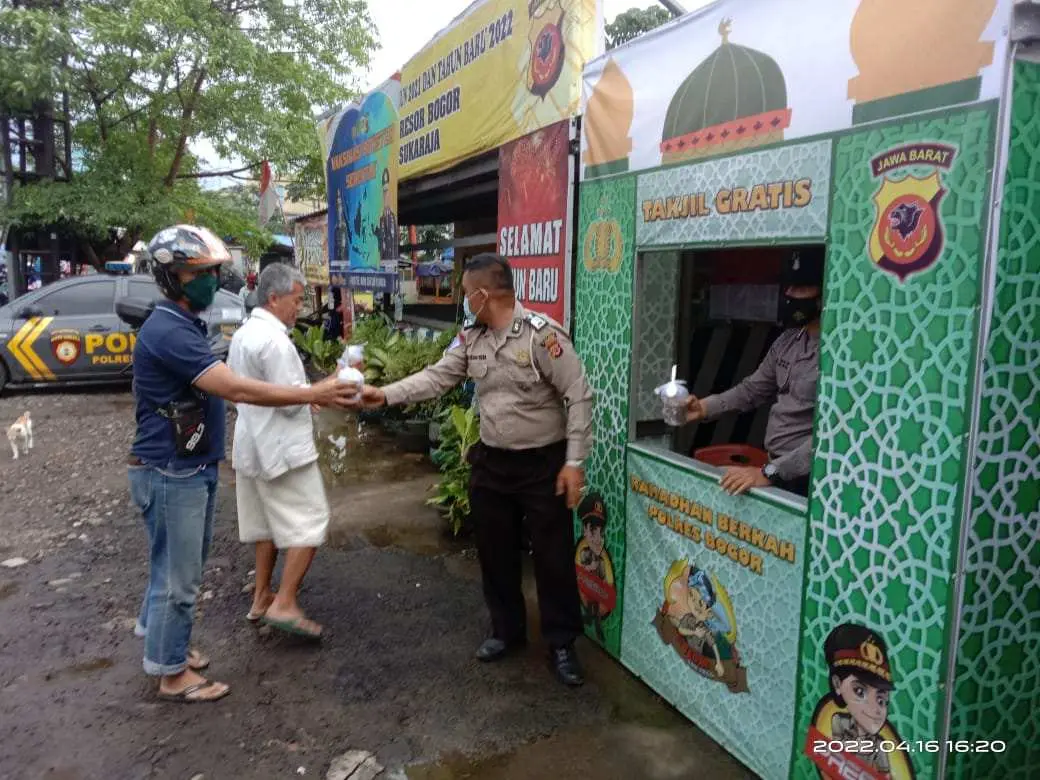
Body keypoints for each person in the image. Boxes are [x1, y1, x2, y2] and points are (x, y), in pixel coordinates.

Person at [128, 225, 357, 704]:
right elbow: (232, 388)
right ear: (175, 278)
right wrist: (314, 391)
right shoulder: (171, 328)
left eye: (214, 272)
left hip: (187, 462)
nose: (214, 281)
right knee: (180, 576)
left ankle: (170, 649)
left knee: (171, 567)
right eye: (203, 274)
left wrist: (307, 392)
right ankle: (172, 673)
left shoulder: (187, 324)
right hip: (174, 468)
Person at [354, 252, 593, 686]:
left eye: (466, 294)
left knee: (553, 557)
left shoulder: (543, 337)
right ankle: (507, 631)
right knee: (495, 552)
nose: (464, 301)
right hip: (492, 462)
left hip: (543, 464)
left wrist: (574, 463)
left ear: (484, 294)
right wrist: (384, 395)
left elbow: (579, 396)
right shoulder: (472, 337)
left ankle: (562, 643)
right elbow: (437, 377)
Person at [228, 264, 330, 640]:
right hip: (282, 449)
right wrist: (318, 391)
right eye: (297, 299)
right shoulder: (275, 341)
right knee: (310, 520)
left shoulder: (244, 334)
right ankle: (285, 602)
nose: (299, 307)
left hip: (252, 442)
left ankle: (261, 597)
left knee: (267, 526)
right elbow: (289, 402)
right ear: (274, 298)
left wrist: (306, 397)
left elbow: (251, 389)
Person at [685, 247, 823, 497]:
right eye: (788, 287)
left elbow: (830, 436)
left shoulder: (841, 356)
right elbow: (751, 390)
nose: (790, 295)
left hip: (809, 479)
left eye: (801, 288)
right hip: (775, 469)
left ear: (823, 296)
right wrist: (704, 407)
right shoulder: (787, 341)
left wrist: (770, 473)